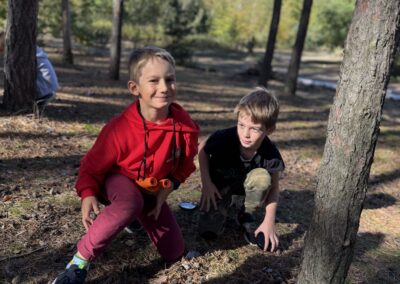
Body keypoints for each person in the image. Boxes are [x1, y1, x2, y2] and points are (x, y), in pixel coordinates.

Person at [52, 46, 199, 284]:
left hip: (151, 189)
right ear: (134, 88)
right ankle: (77, 264)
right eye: (154, 80)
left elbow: (185, 164)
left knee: (174, 251)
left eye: (169, 79)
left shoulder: (184, 126)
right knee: (130, 202)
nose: (164, 87)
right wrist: (87, 193)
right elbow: (92, 164)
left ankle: (134, 216)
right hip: (117, 180)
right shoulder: (119, 129)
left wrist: (168, 188)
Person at [198, 87, 284, 252]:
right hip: (219, 186)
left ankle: (245, 211)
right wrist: (207, 184)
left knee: (262, 178)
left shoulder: (270, 154)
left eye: (255, 129)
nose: (245, 134)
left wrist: (269, 221)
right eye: (241, 125)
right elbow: (202, 149)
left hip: (246, 186)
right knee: (208, 231)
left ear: (269, 130)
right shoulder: (224, 138)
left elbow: (274, 188)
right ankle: (224, 203)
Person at [35, 46, 60, 116]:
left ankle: (41, 98)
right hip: (50, 86)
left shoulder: (32, 55)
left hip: (45, 87)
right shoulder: (38, 54)